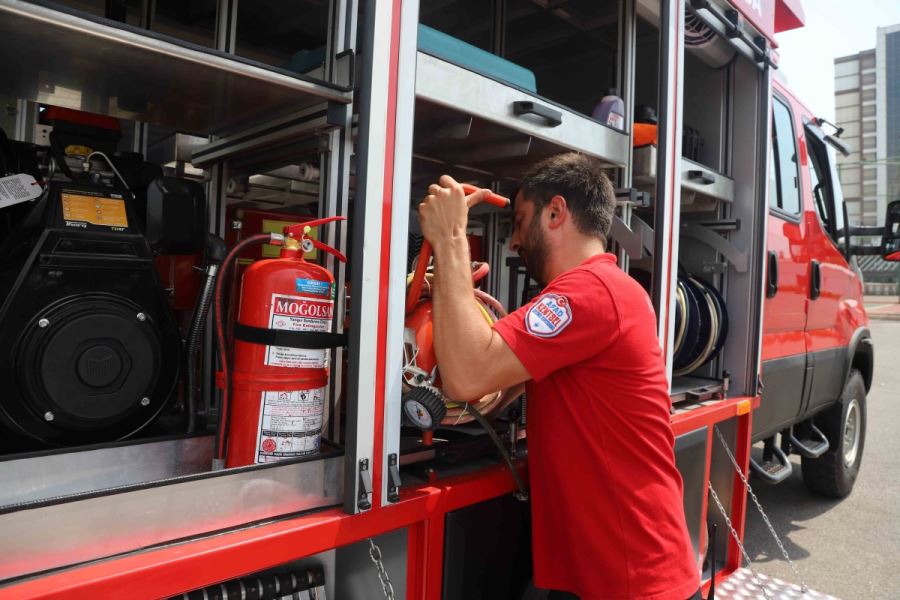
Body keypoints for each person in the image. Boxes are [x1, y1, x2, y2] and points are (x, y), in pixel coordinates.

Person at [417, 153, 700, 600]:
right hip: (604, 573)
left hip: (631, 581)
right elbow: (493, 384)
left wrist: (452, 239)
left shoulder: (589, 293)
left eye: (520, 220)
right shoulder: (605, 290)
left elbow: (468, 376)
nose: (513, 241)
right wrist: (452, 297)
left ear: (555, 212)